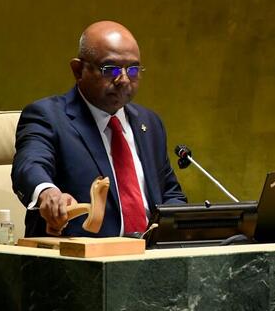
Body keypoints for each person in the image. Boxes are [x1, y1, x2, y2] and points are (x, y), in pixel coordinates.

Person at [12, 21, 187, 237]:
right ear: (78, 70)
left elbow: (170, 194)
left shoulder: (150, 123)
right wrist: (47, 192)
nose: (123, 80)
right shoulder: (48, 116)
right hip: (78, 254)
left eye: (133, 70)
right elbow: (29, 166)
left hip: (149, 253)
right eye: (110, 69)